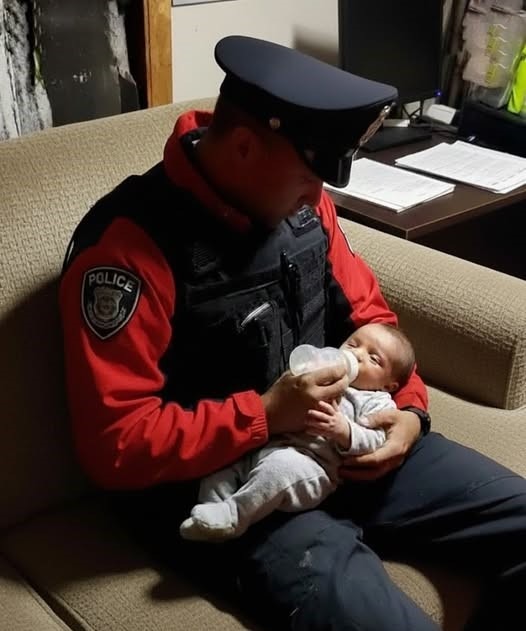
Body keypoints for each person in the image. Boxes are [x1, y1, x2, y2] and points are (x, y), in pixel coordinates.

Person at [59, 35, 526, 631]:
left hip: (344, 436)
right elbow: (115, 445)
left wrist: (409, 413)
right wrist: (265, 414)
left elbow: (371, 320)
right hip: (236, 488)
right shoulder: (127, 251)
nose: (319, 196)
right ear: (245, 147)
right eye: (309, 179)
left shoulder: (302, 208)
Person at [179, 322, 415, 541]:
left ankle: (235, 515)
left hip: (311, 466)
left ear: (389, 385)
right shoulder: (327, 370)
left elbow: (377, 440)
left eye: (373, 359)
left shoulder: (377, 401)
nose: (357, 355)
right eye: (353, 344)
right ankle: (210, 512)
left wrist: (344, 431)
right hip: (271, 442)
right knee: (222, 466)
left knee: (277, 470)